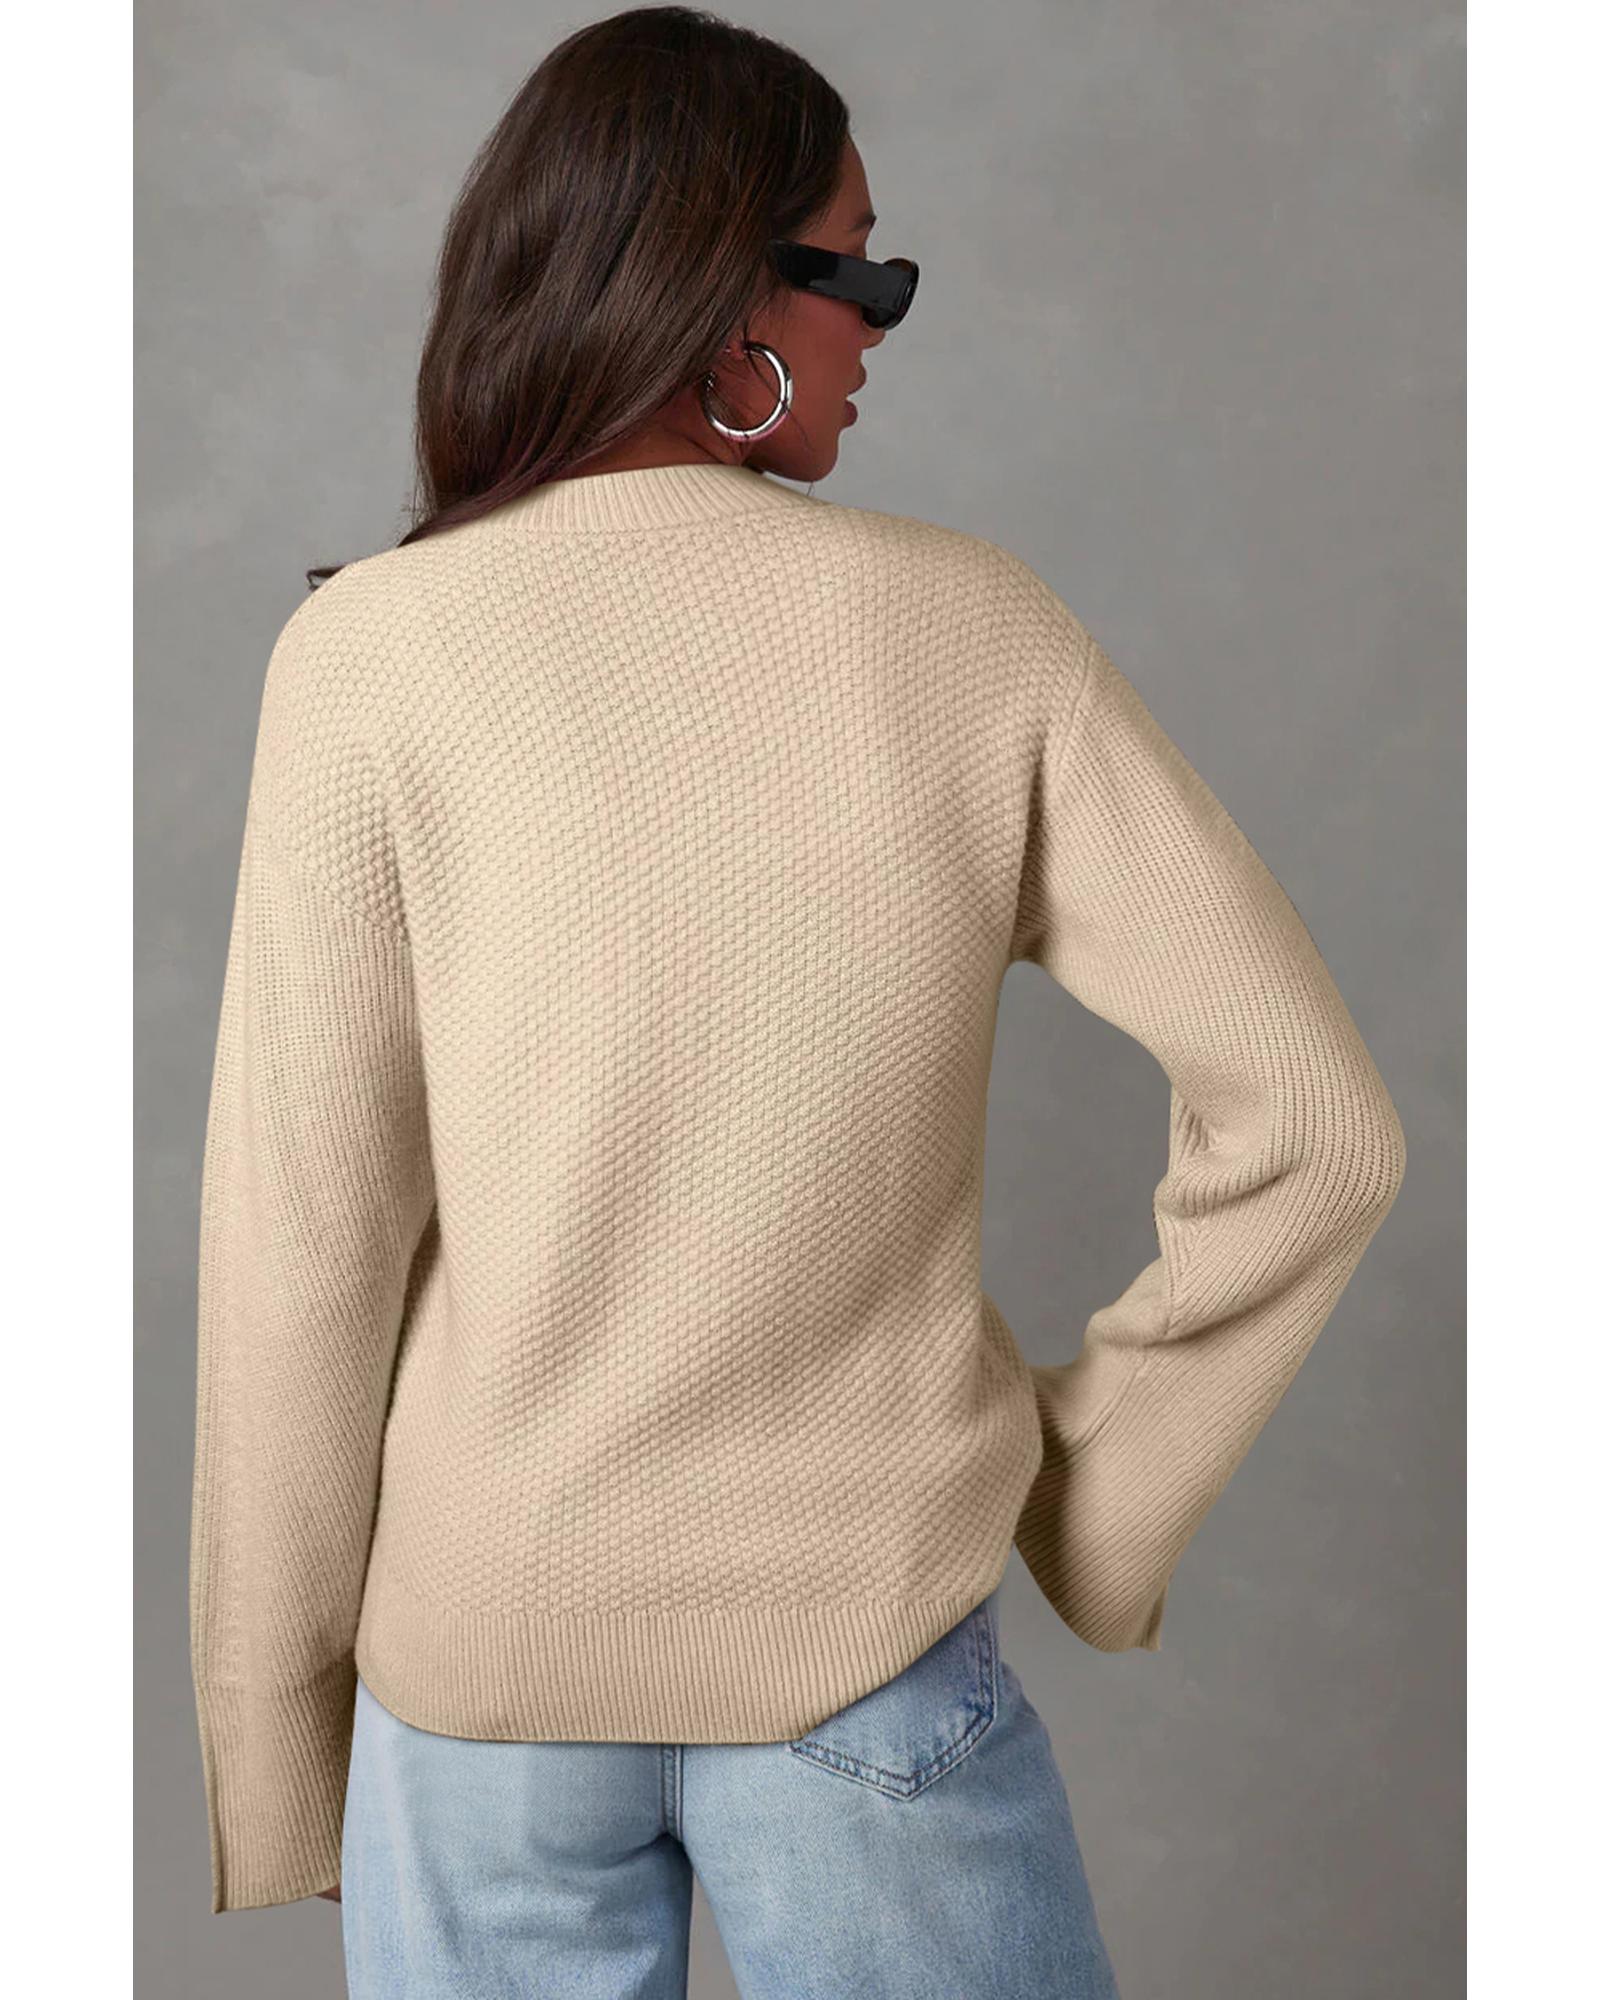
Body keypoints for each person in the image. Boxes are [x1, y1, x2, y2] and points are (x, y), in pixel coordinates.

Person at [187, 8, 1407, 1996]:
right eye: (863, 273)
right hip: (859, 1645)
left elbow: (300, 1253)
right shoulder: (973, 630)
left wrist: (274, 1734)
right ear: (730, 301)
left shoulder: (367, 658)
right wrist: (1090, 1497)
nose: (880, 331)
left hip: (477, 1700)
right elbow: (1318, 1132)